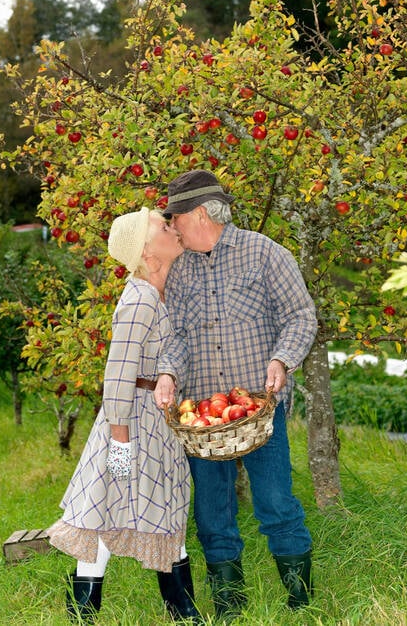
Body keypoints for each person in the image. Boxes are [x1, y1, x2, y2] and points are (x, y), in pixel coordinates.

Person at [153, 169, 318, 618]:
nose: (172, 227)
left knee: (276, 504)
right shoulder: (181, 270)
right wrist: (167, 374)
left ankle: (301, 603)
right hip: (203, 422)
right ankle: (230, 608)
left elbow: (301, 316)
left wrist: (281, 360)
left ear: (200, 214)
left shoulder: (265, 254)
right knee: (211, 517)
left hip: (259, 411)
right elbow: (175, 338)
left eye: (176, 218)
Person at [46, 207, 202, 624]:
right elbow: (117, 376)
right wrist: (120, 442)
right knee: (106, 509)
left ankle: (181, 609)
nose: (172, 228)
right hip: (128, 426)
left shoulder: (163, 291)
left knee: (159, 506)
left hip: (153, 424)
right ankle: (85, 612)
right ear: (149, 253)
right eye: (163, 227)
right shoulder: (139, 299)